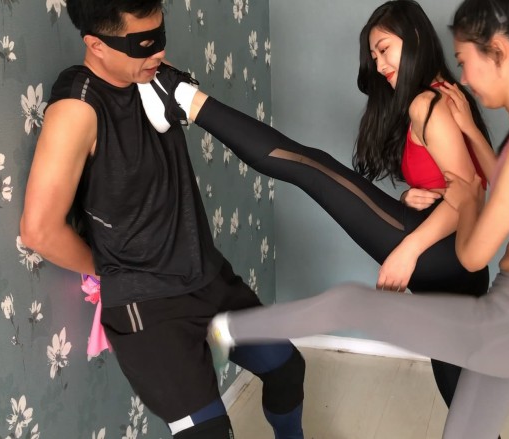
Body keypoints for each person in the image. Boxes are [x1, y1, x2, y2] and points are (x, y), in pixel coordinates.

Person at [202, 0, 509, 437]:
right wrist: (468, 153)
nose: (464, 79)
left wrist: (464, 194)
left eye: (465, 61)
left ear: (498, 50)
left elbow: (474, 255)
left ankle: (228, 329)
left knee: (352, 303)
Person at [138, 0, 491, 408]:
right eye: (374, 55)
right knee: (461, 393)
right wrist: (417, 197)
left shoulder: (427, 103)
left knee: (312, 168)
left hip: (440, 255)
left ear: (413, 37)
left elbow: (468, 196)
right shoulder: (445, 97)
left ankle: (181, 97)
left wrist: (407, 251)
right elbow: (466, 185)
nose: (379, 65)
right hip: (460, 270)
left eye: (384, 49)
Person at [18, 1, 306, 438]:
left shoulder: (152, 78)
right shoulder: (77, 109)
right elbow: (38, 230)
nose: (158, 52)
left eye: (160, 37)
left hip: (207, 277)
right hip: (150, 307)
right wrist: (113, 270)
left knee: (286, 369)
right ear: (96, 44)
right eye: (142, 44)